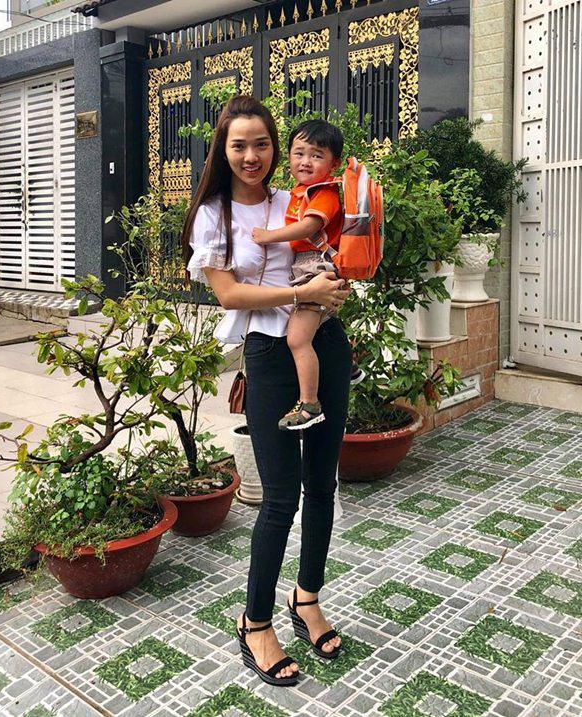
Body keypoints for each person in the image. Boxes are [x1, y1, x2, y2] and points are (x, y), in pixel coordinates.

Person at [181, 96, 351, 687]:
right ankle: (255, 621)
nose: (251, 156)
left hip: (325, 347)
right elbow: (228, 294)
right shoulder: (213, 215)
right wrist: (303, 295)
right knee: (279, 499)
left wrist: (334, 286)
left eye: (261, 144)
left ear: (277, 148)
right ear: (222, 150)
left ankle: (307, 598)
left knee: (323, 484)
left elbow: (331, 252)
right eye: (239, 145)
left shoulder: (296, 200)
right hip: (270, 356)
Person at [251, 119, 360, 431]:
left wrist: (269, 237)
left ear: (333, 163)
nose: (305, 161)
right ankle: (350, 368)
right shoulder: (301, 192)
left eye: (316, 155)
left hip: (315, 267)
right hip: (310, 265)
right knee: (316, 326)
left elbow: (310, 227)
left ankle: (310, 405)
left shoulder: (324, 193)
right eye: (299, 153)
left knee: (297, 339)